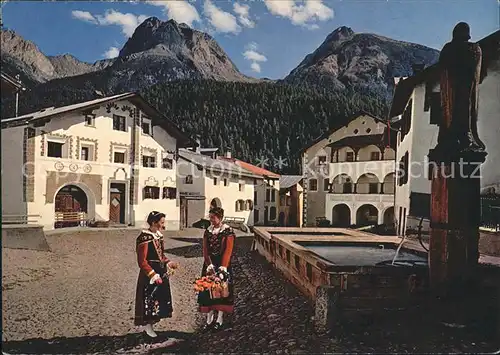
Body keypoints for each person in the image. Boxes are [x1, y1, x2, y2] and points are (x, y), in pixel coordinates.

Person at [134, 211, 178, 338]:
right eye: (162, 222)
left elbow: (161, 256)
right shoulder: (144, 238)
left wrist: (169, 263)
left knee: (158, 300)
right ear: (154, 223)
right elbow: (142, 261)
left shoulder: (158, 236)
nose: (163, 225)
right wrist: (153, 275)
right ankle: (148, 327)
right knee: (149, 300)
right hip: (150, 275)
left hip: (160, 271)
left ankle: (152, 325)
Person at [197, 207, 236, 331]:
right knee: (208, 291)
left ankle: (219, 318)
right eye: (210, 217)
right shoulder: (208, 231)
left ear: (220, 217)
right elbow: (205, 249)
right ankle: (209, 319)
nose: (211, 220)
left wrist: (223, 267)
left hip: (222, 265)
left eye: (213, 218)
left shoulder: (228, 232)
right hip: (210, 265)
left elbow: (228, 250)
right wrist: (208, 263)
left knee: (220, 292)